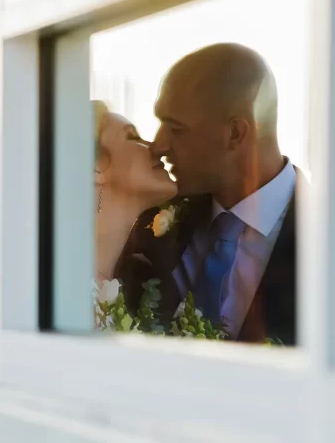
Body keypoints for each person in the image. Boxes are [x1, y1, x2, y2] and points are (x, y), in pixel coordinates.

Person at [116, 43, 299, 344]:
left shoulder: (321, 239)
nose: (158, 145)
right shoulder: (147, 223)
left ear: (235, 134)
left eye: (175, 129)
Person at [94, 100, 178, 287]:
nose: (156, 147)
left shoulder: (140, 280)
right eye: (133, 137)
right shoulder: (55, 285)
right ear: (96, 167)